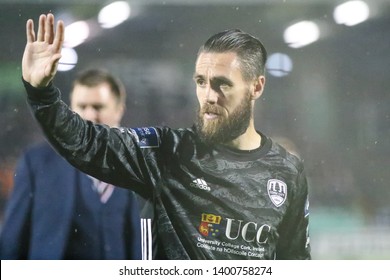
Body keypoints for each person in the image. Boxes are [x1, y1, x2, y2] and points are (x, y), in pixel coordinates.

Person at [20, 13, 311, 260]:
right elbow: (86, 142)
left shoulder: (287, 171)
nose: (208, 96)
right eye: (201, 82)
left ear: (256, 87)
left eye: (222, 84)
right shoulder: (165, 153)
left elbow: (295, 263)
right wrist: (42, 94)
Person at [0, 68, 143, 260]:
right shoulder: (38, 163)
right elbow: (12, 240)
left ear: (119, 110)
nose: (90, 115)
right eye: (82, 107)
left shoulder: (144, 164)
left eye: (98, 107)